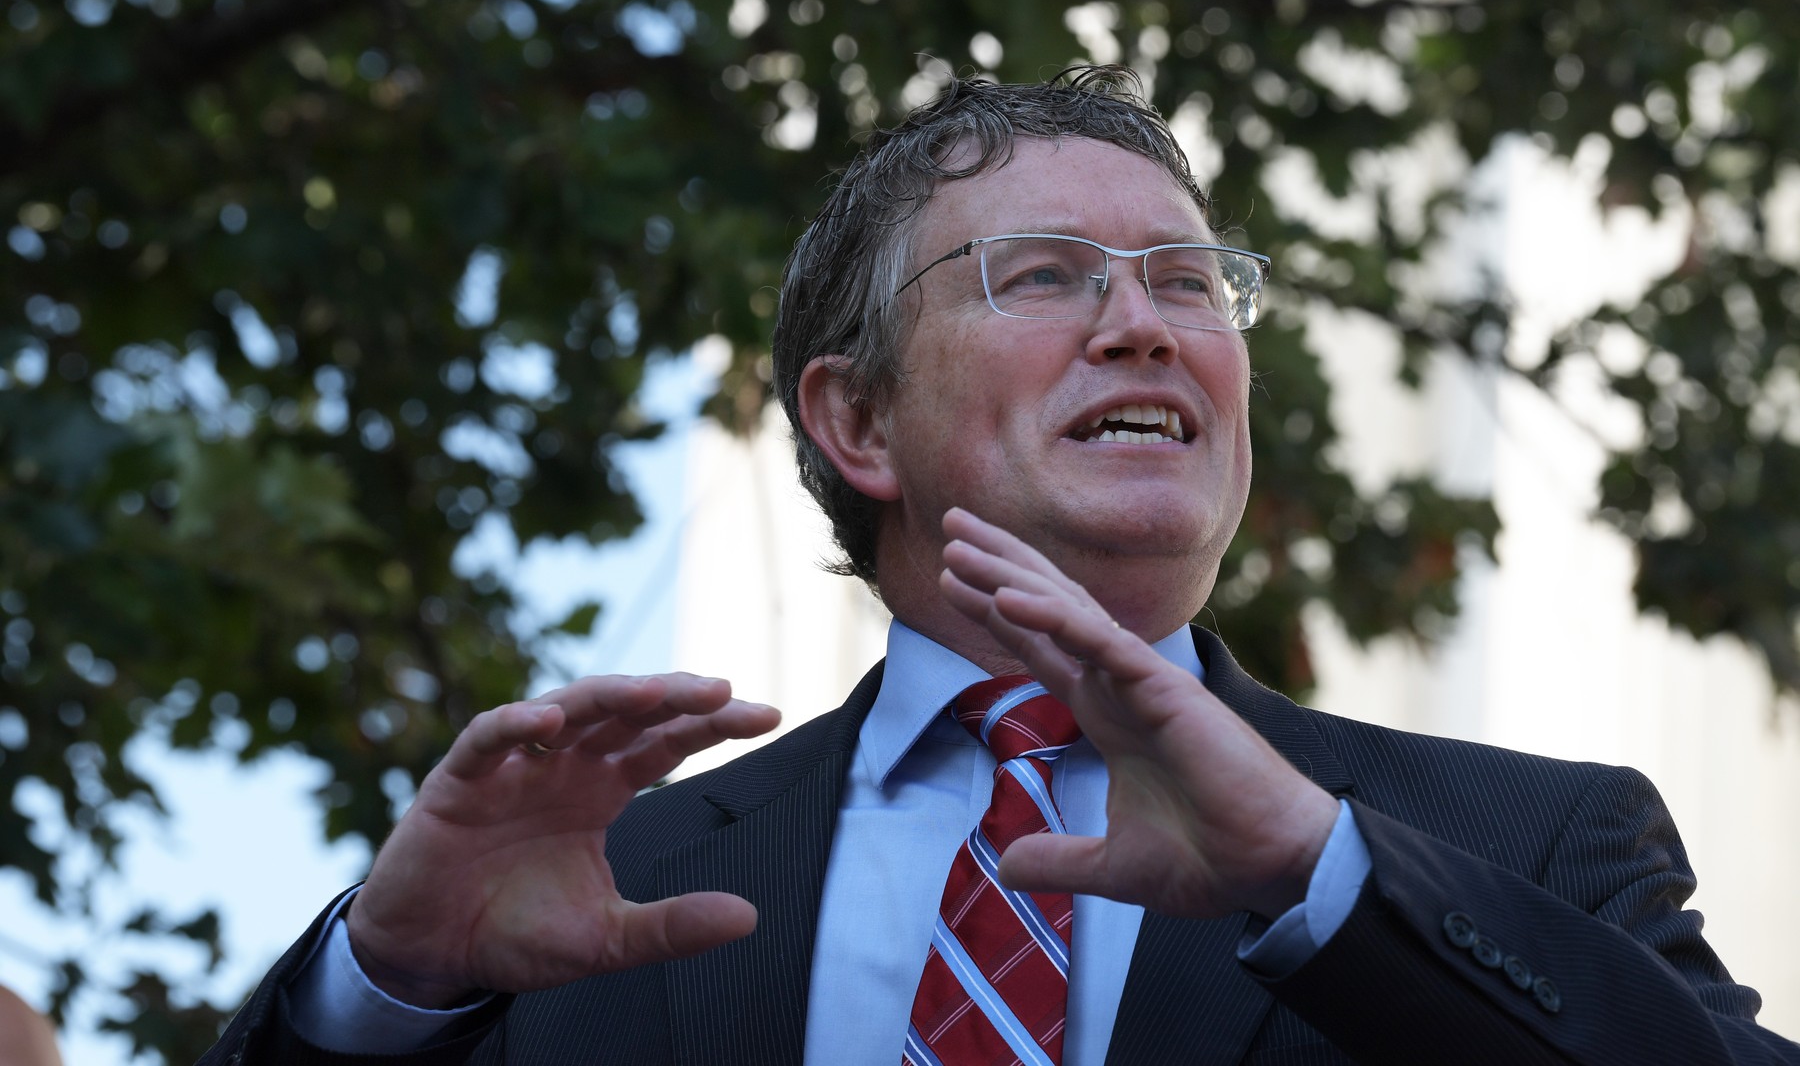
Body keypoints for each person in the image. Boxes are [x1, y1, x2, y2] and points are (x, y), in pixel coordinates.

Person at [200, 68, 1799, 1065]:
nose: (1145, 321)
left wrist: (1326, 884)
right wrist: (382, 995)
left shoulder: (1520, 845)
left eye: (1190, 282)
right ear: (857, 418)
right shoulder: (604, 880)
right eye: (1046, 275)